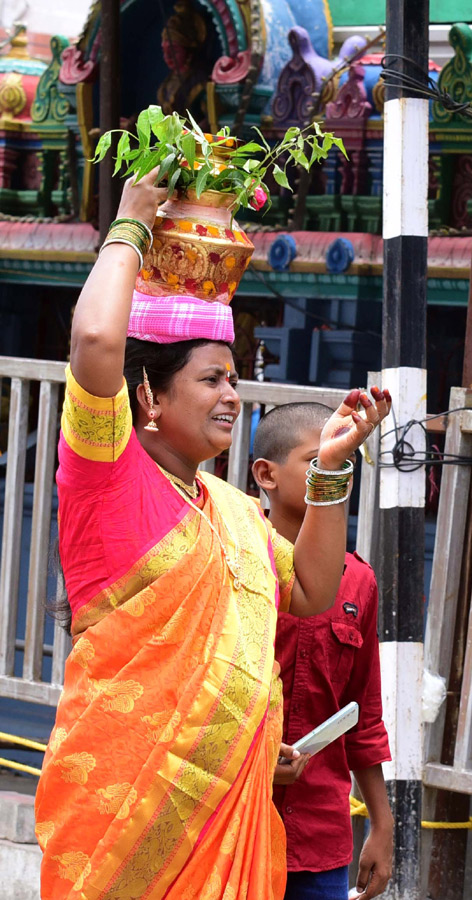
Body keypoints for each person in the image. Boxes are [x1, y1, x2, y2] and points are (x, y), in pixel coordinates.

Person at [34, 170, 391, 900]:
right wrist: (130, 222)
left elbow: (317, 589)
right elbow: (99, 338)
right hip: (125, 827)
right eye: (211, 380)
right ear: (149, 397)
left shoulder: (231, 512)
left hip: (232, 828)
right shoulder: (109, 477)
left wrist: (328, 468)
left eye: (235, 379)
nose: (232, 395)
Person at [251, 403, 394, 900]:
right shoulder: (235, 559)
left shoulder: (359, 581)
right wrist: (252, 758)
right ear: (266, 475)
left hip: (320, 839)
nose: (335, 471)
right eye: (319, 461)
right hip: (234, 824)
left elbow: (364, 714)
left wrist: (381, 823)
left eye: (344, 463)